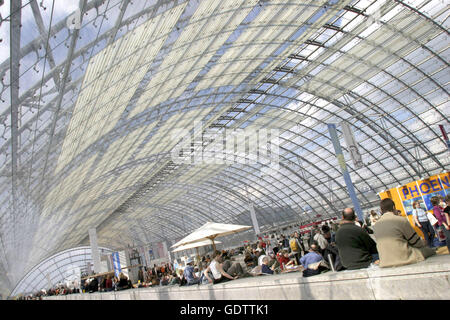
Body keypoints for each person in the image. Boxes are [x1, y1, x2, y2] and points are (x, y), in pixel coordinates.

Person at [373, 198, 436, 268]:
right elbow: (416, 242)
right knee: (430, 251)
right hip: (403, 257)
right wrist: (424, 242)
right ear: (394, 207)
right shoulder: (400, 220)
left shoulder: (376, 225)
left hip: (385, 260)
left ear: (381, 210)